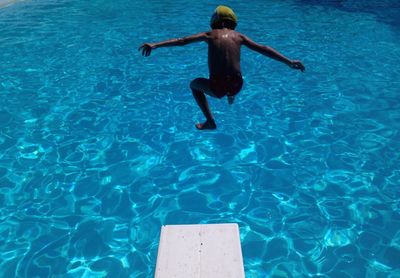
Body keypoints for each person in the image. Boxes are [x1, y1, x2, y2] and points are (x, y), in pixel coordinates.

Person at [139, 5, 305, 130]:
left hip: (217, 86)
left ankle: (210, 121)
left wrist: (156, 45)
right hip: (237, 84)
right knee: (235, 79)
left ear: (217, 22)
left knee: (194, 85)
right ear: (232, 23)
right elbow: (264, 48)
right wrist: (288, 61)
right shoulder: (239, 36)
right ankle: (231, 96)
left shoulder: (209, 35)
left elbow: (182, 41)